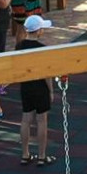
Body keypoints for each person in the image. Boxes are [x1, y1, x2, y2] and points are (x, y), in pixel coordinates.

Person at [16, 14, 58, 164]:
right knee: (41, 120)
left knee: (26, 119)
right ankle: (41, 156)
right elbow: (46, 73)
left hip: (26, 86)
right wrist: (51, 90)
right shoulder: (42, 49)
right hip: (40, 87)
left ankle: (25, 154)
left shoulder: (19, 46)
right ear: (39, 31)